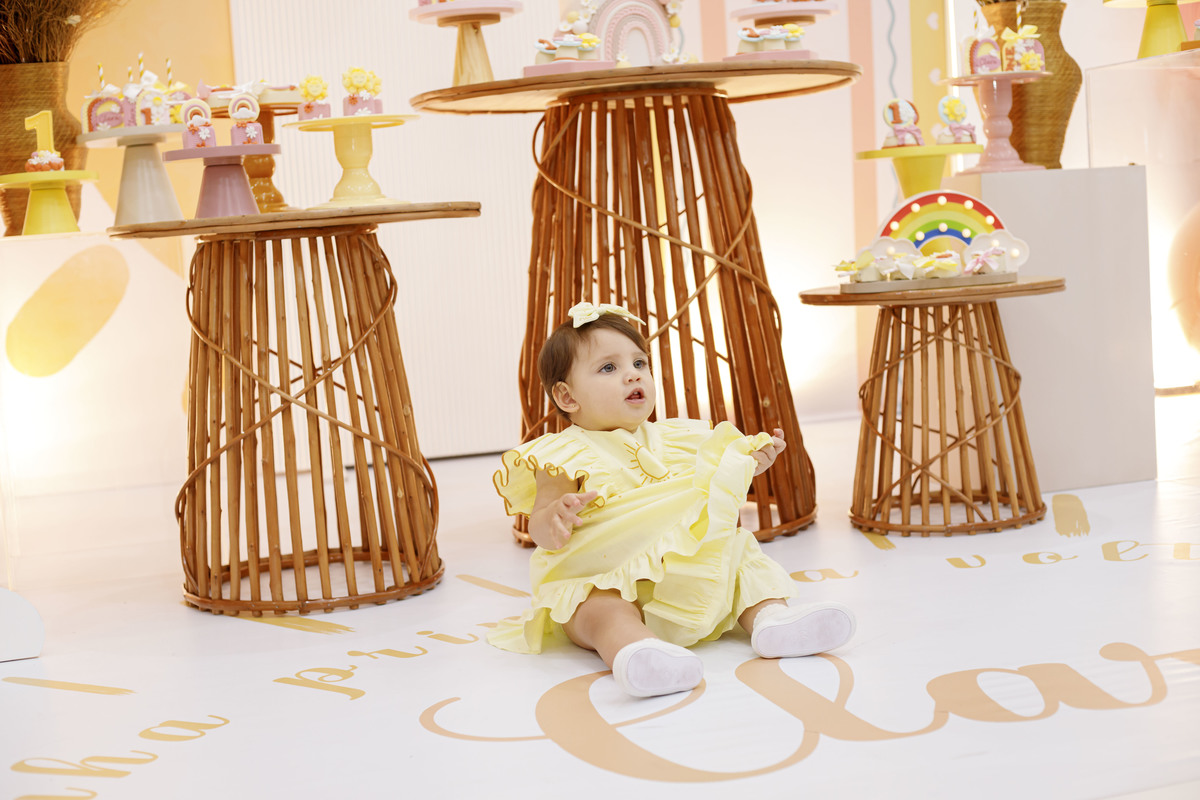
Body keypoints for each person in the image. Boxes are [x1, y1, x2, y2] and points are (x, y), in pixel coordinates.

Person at [489, 302, 855, 697]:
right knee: (598, 610)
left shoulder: (676, 438)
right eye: (609, 368)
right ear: (566, 396)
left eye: (639, 363)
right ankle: (637, 651)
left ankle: (772, 620)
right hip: (601, 576)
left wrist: (748, 464)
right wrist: (554, 518)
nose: (633, 374)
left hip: (678, 573)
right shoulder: (564, 454)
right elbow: (539, 526)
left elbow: (709, 482)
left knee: (740, 555)